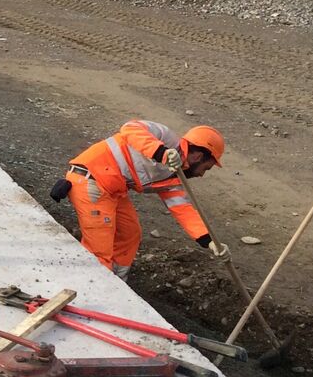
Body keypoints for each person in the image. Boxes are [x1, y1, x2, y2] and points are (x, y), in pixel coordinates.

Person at [57, 120, 229, 280]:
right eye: (206, 168)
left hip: (112, 189)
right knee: (99, 250)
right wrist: (162, 152)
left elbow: (183, 210)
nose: (201, 175)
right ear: (198, 156)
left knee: (129, 234)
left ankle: (116, 283)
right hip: (91, 181)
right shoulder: (165, 137)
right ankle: (94, 289)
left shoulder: (175, 177)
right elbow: (130, 128)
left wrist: (210, 241)